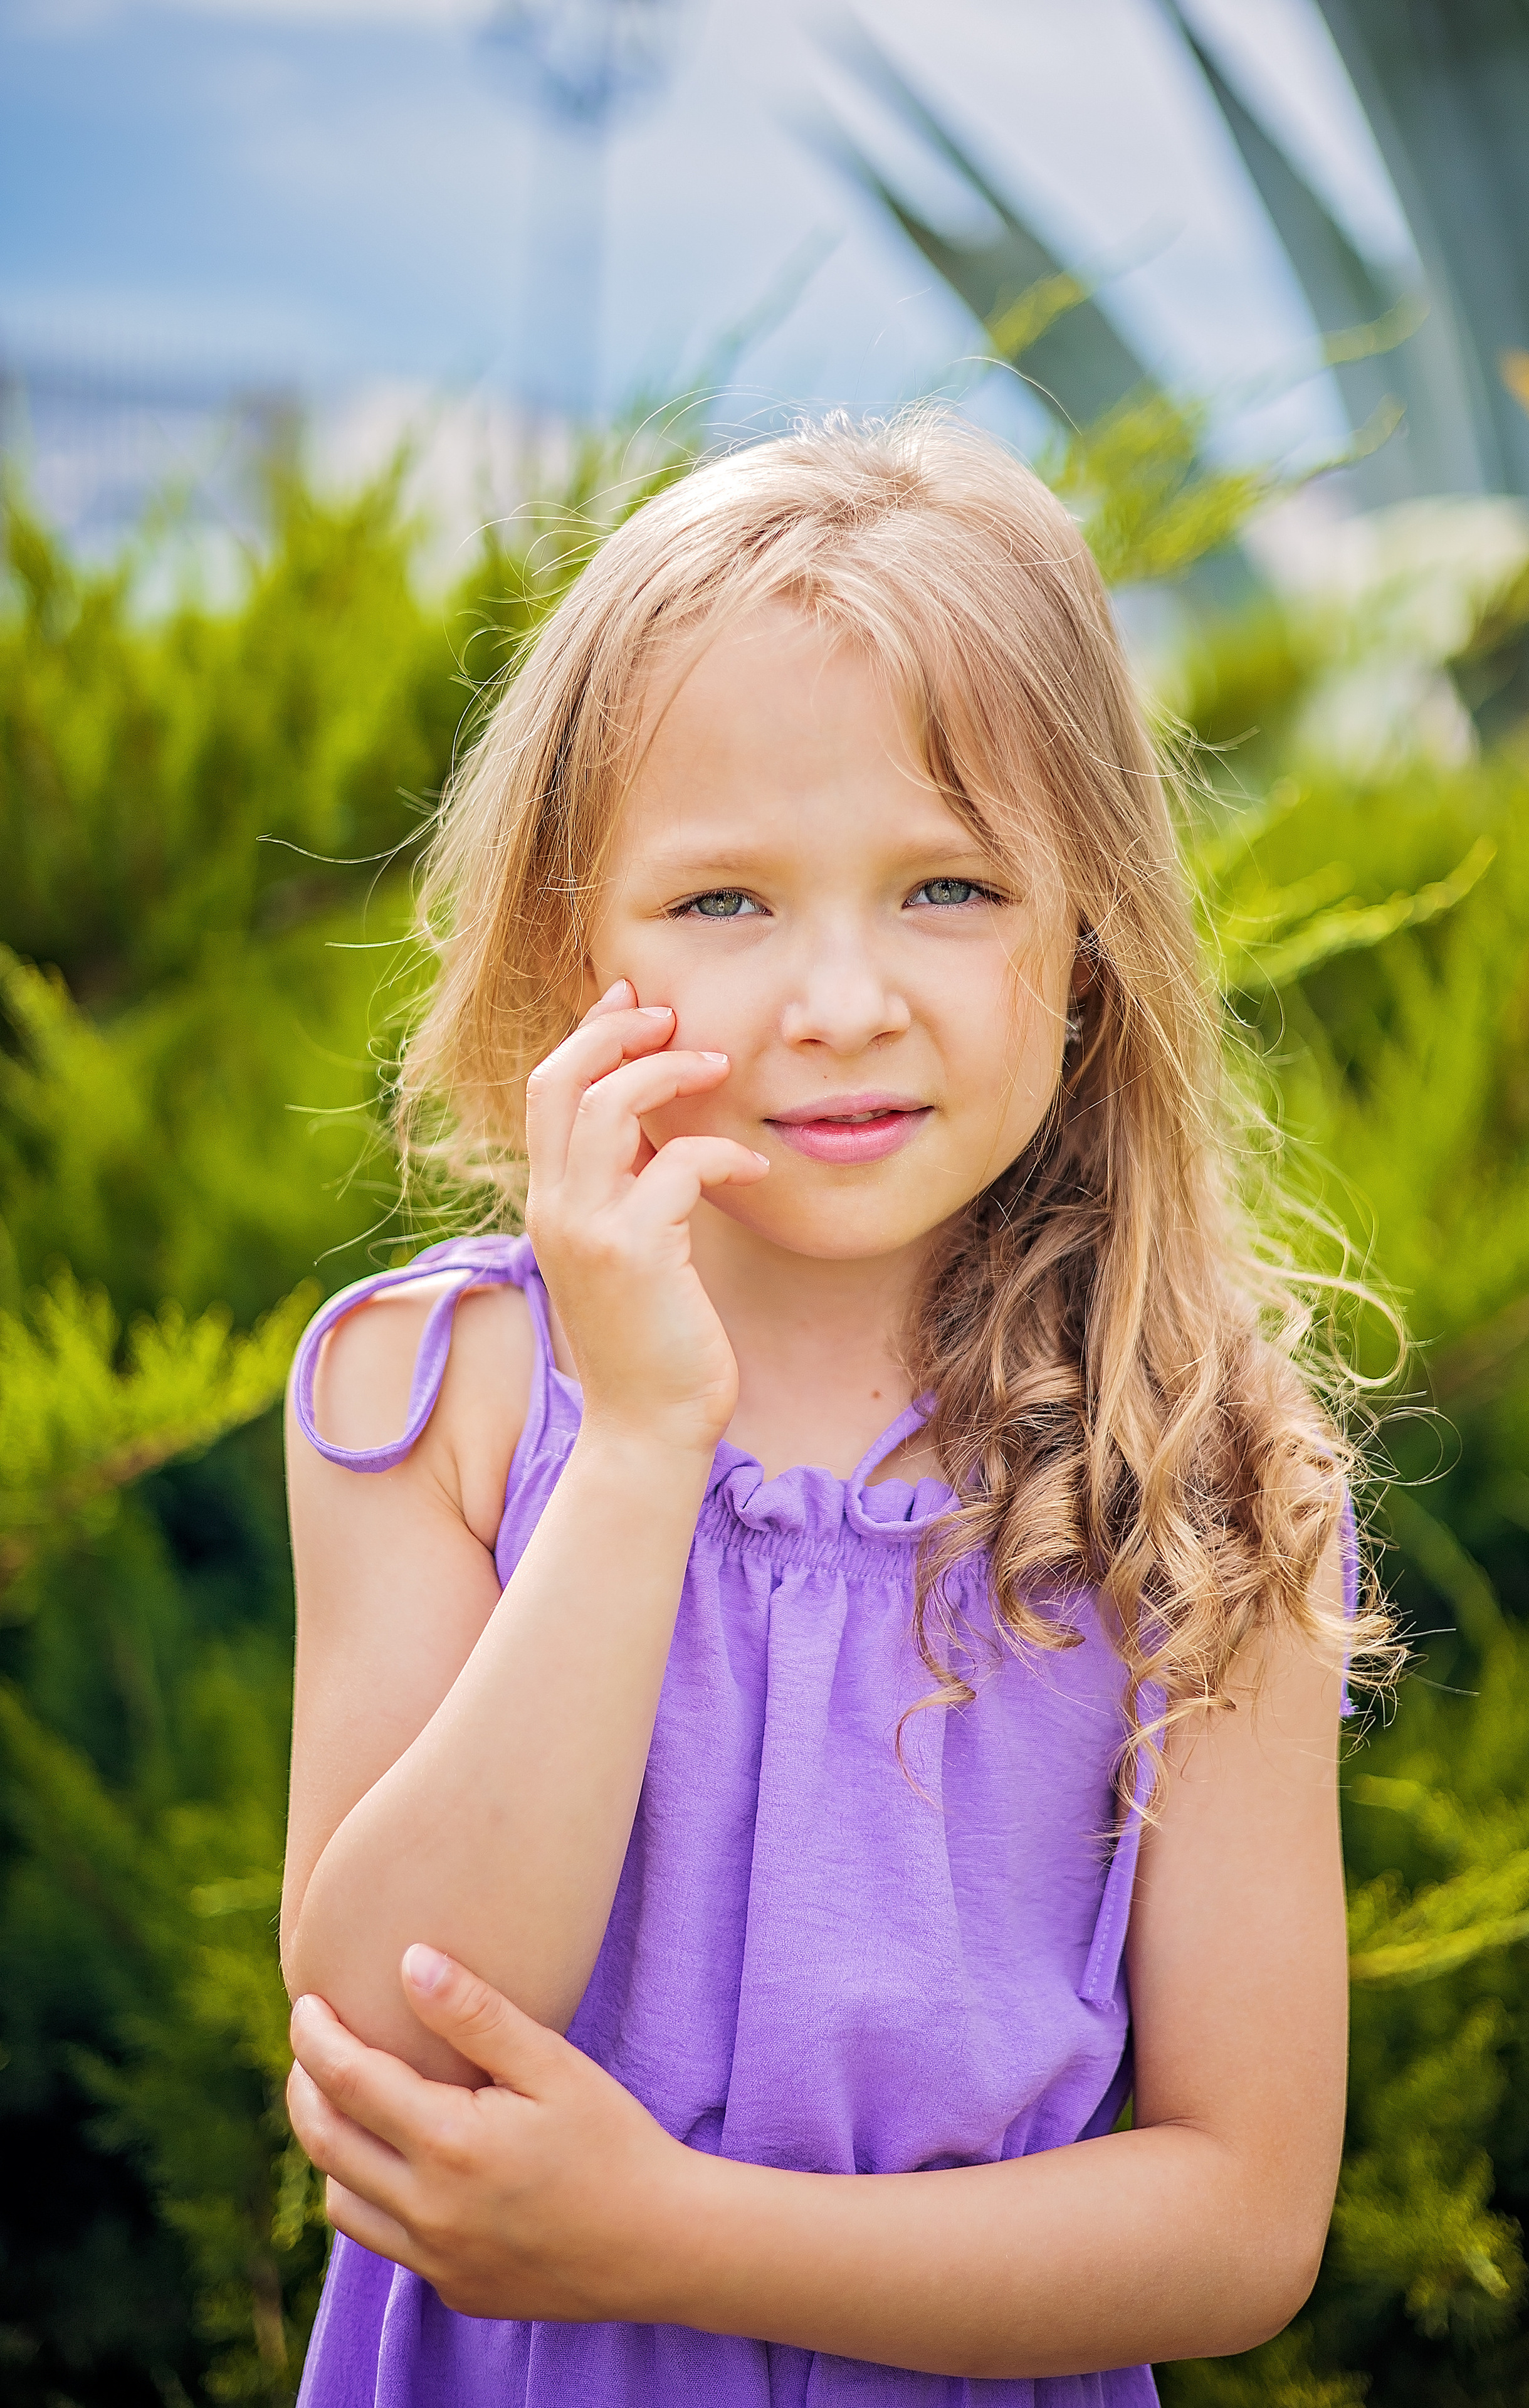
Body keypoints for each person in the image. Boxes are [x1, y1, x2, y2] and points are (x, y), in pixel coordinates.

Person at [280, 411, 1392, 2407]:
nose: (843, 998)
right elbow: (385, 2033)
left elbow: (1241, 2218)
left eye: (949, 886)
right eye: (724, 906)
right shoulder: (434, 1392)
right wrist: (635, 1451)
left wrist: (667, 2237)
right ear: (569, 949)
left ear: (1089, 939)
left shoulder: (1198, 1468)